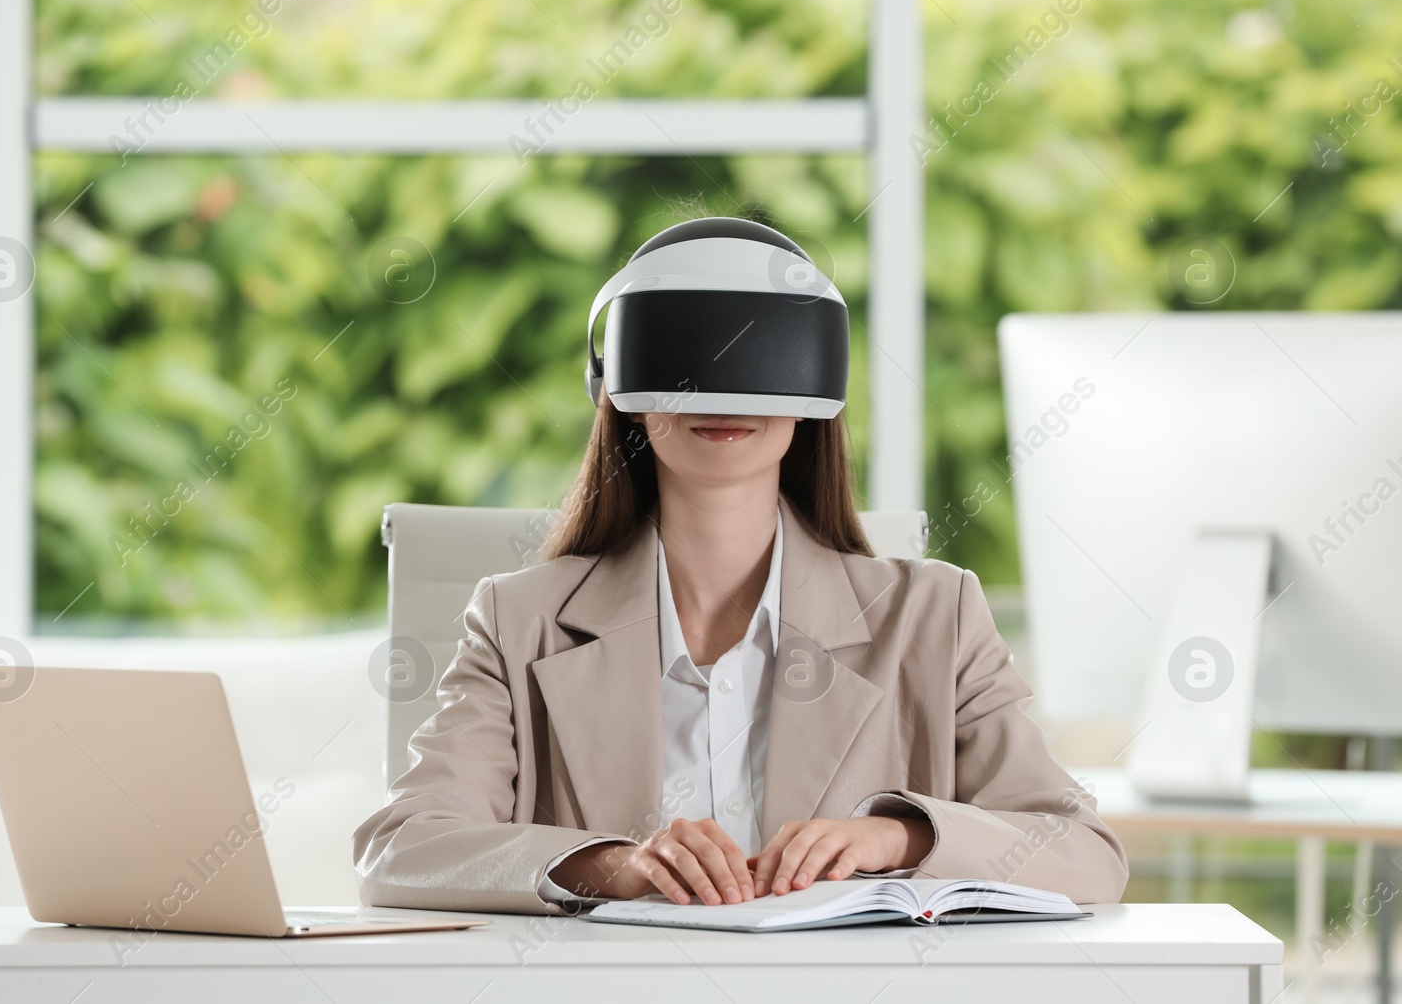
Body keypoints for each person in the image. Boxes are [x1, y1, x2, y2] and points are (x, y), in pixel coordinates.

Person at [353, 218, 1128, 915]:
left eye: (761, 351)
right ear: (615, 385)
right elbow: (401, 850)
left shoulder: (936, 613)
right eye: (685, 351)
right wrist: (613, 865)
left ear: (813, 389)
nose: (723, 391)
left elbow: (1086, 855)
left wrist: (898, 839)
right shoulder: (519, 621)